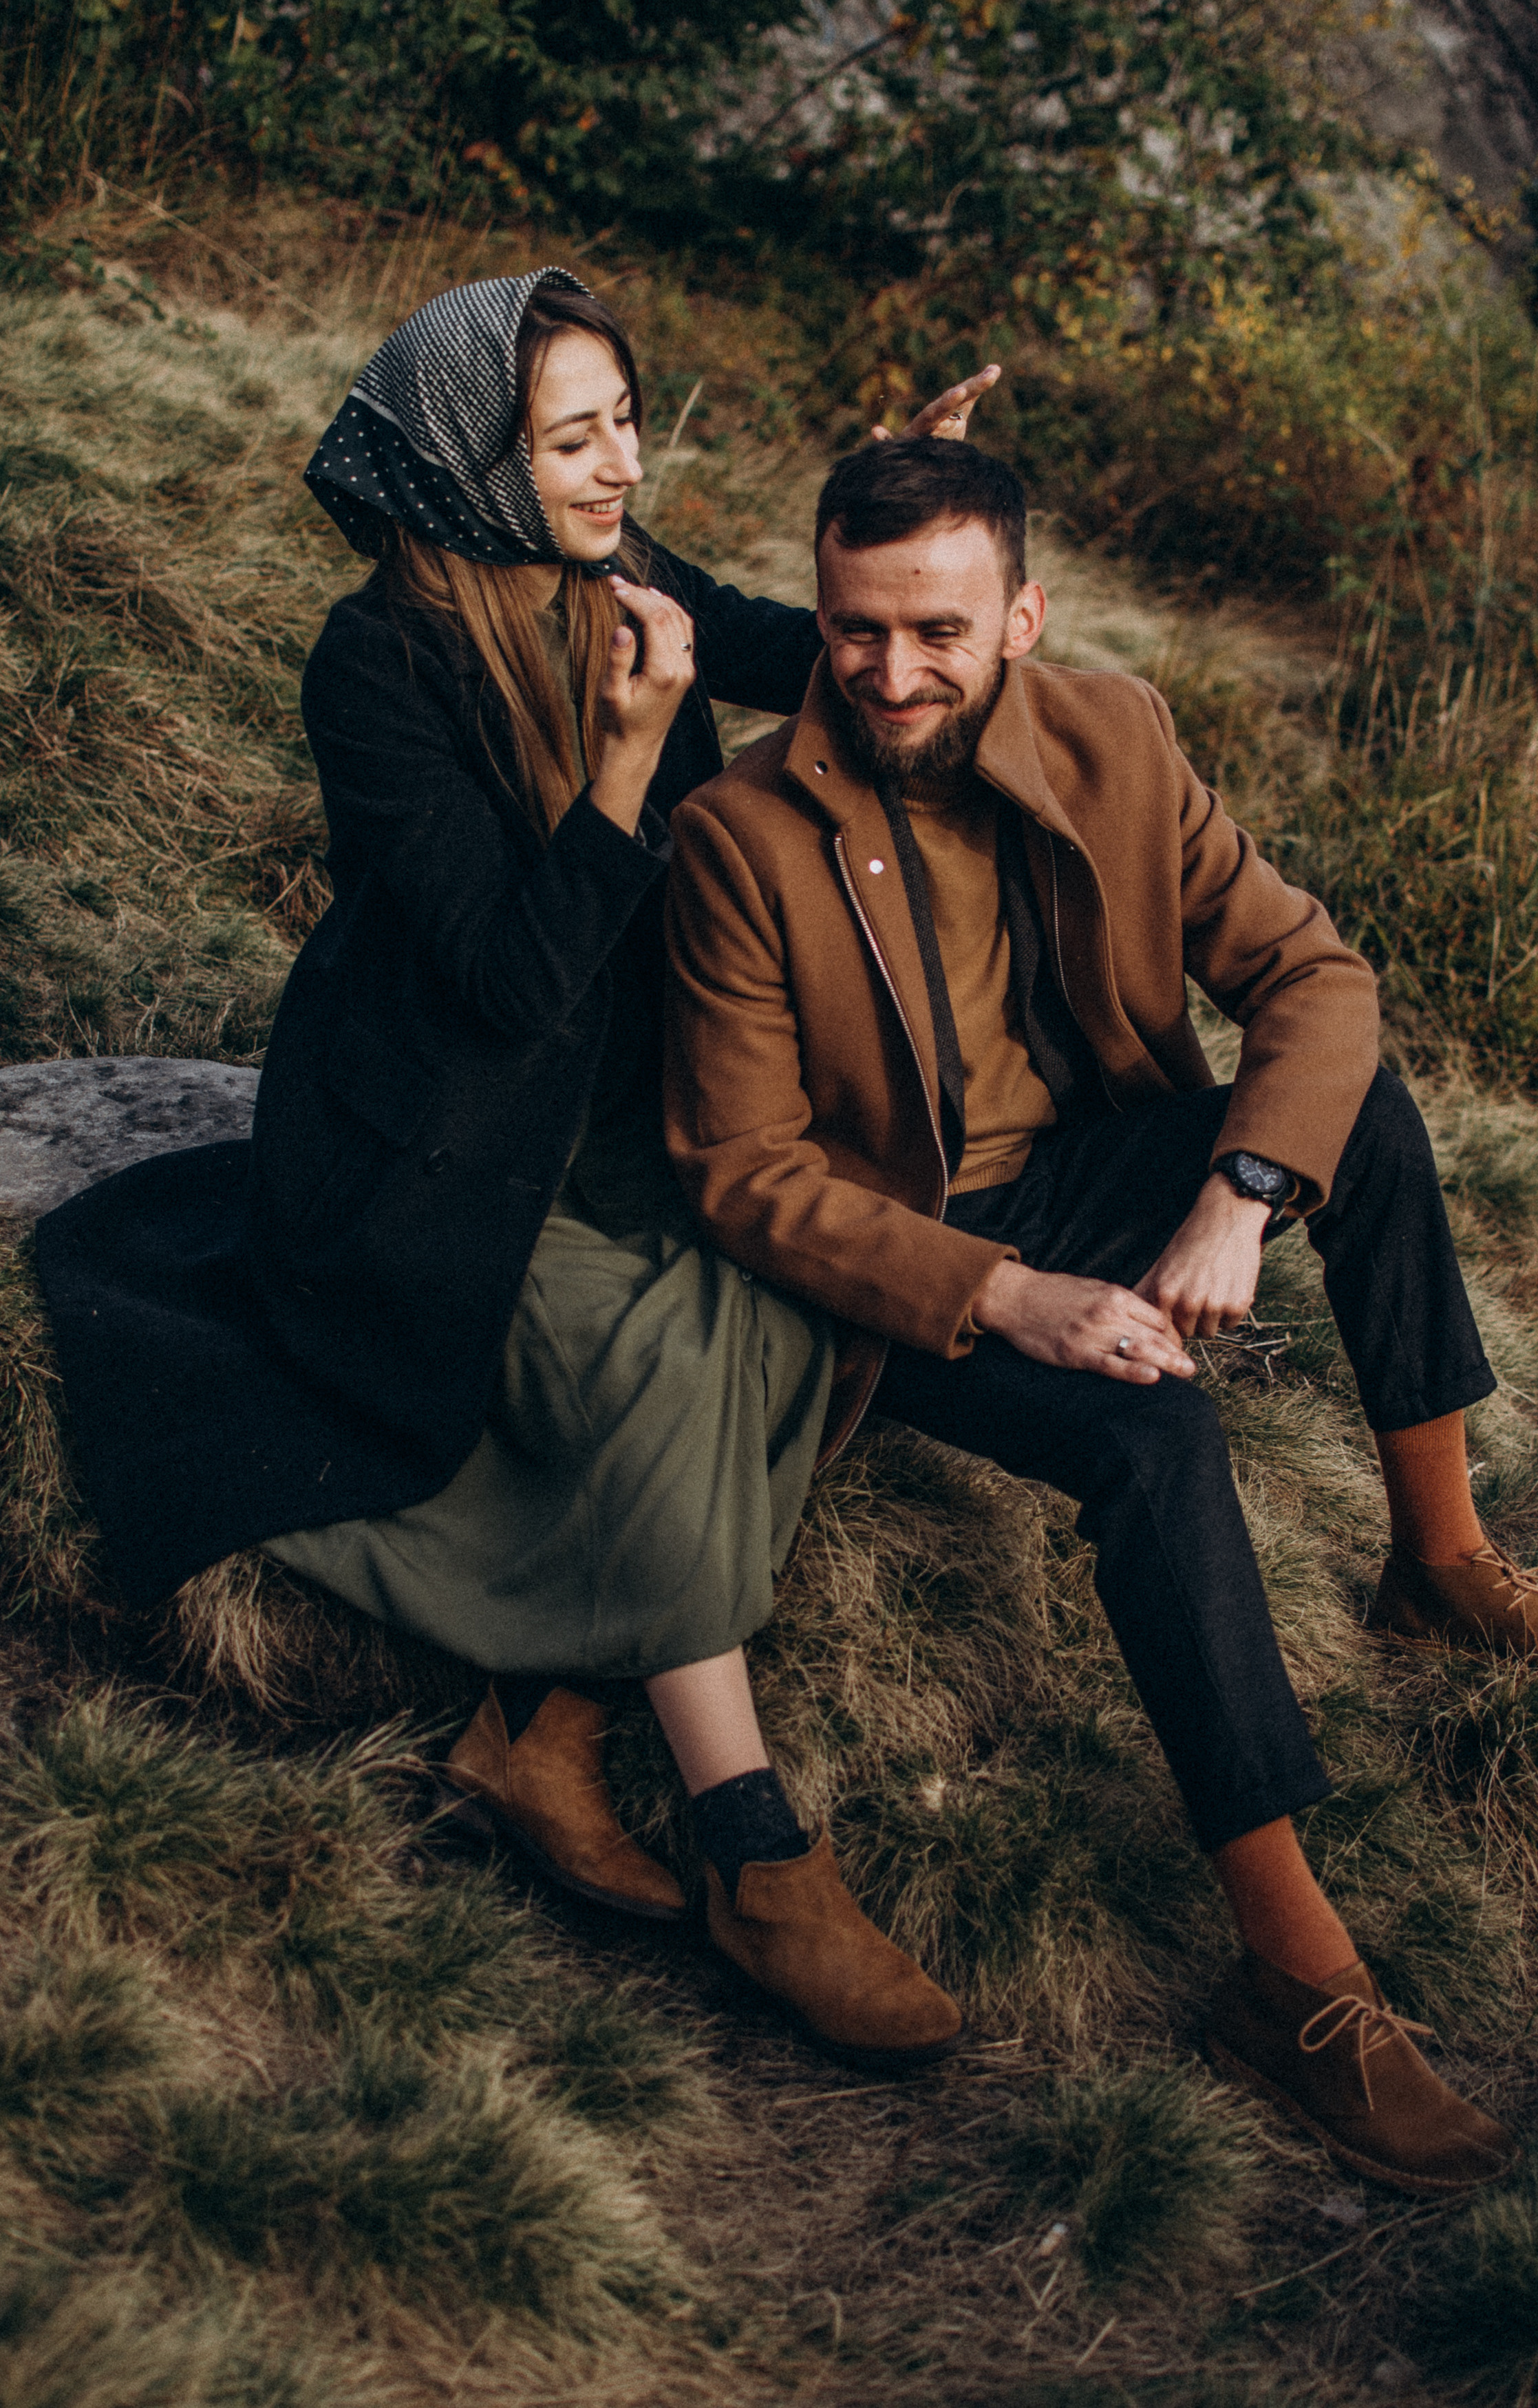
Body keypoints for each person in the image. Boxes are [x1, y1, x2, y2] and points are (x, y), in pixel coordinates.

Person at [34, 270, 996, 2072]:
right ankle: (755, 1847)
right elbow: (495, 981)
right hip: (427, 1158)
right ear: (477, 460)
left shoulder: (627, 586)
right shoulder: (377, 661)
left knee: (792, 1308)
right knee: (661, 1352)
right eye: (571, 436)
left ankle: (540, 1731)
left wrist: (901, 512)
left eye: (624, 416)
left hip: (622, 1116)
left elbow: (798, 661)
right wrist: (628, 762)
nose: (620, 458)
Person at [662, 435, 1538, 2191]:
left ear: (1022, 614)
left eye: (936, 629)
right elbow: (743, 1172)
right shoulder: (741, 833)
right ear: (820, 610)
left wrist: (1238, 1198)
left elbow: (1314, 975)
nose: (890, 672)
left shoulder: (1121, 735)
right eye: (857, 629)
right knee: (1156, 1436)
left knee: (1358, 1107)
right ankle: (1301, 1982)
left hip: (1099, 1166)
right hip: (916, 1254)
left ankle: (1443, 1563)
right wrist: (1012, 1297)